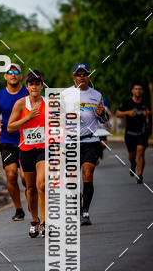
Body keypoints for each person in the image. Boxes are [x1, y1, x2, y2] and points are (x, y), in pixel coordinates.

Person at [64, 64, 108, 225]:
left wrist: (101, 113)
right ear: (73, 77)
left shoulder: (96, 95)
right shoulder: (65, 95)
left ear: (89, 77)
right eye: (78, 74)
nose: (82, 76)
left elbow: (104, 119)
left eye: (85, 74)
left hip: (90, 140)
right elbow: (54, 118)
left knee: (87, 174)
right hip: (70, 141)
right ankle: (76, 203)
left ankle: (85, 211)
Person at [7, 70, 47, 238]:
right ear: (27, 86)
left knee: (42, 185)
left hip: (44, 148)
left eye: (38, 83)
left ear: (42, 85)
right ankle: (34, 220)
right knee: (30, 189)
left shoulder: (50, 103)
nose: (35, 86)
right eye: (31, 83)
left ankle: (45, 222)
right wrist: (28, 117)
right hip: (26, 149)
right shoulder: (21, 104)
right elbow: (10, 127)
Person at [0, 62, 28, 221]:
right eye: (9, 72)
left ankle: (31, 195)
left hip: (27, 139)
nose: (13, 74)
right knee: (11, 175)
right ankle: (19, 209)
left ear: (20, 76)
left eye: (16, 72)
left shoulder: (27, 92)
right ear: (5, 76)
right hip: (7, 140)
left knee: (26, 177)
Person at [116, 83, 151, 183]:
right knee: (131, 156)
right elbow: (118, 113)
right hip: (130, 133)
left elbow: (150, 113)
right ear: (132, 91)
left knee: (140, 152)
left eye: (140, 89)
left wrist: (148, 113)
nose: (138, 91)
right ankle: (133, 164)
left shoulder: (145, 103)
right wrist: (128, 113)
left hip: (142, 132)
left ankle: (140, 175)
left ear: (142, 91)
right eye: (136, 89)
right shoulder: (127, 102)